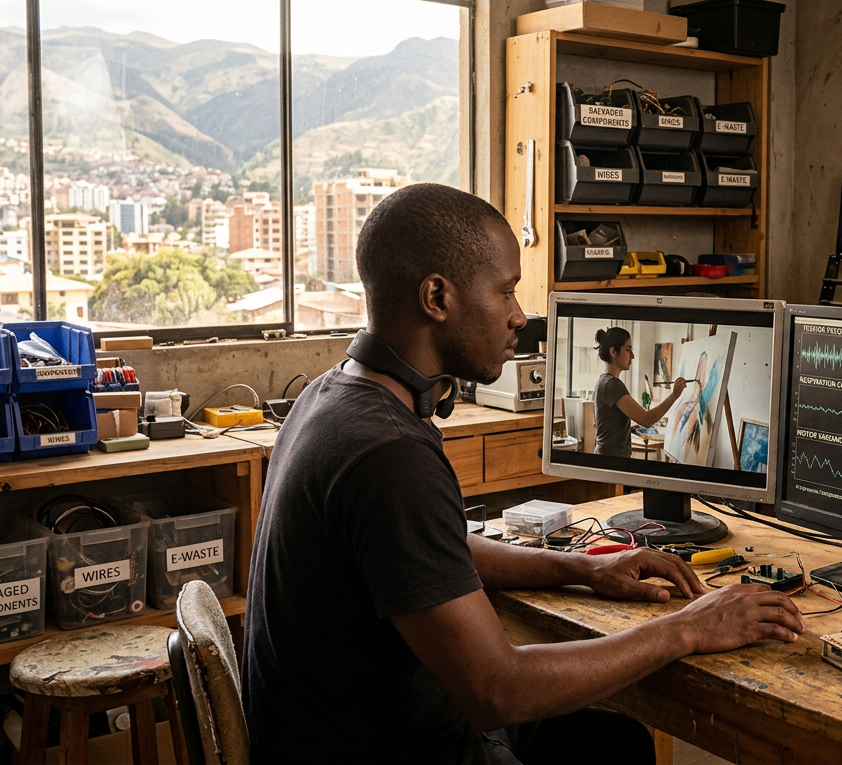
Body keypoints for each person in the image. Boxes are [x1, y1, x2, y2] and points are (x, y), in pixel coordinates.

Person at [243, 183, 805, 765]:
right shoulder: (389, 453)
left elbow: (436, 548)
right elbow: (497, 690)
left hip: (352, 733)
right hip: (398, 750)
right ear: (437, 296)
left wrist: (584, 568)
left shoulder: (333, 395)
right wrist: (688, 628)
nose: (518, 315)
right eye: (506, 291)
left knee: (614, 743)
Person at [592, 327, 687, 458]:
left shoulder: (603, 380)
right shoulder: (612, 384)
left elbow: (602, 423)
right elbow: (647, 420)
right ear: (613, 351)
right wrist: (674, 395)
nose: (632, 356)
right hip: (611, 463)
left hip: (607, 458)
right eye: (628, 350)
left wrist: (626, 429)